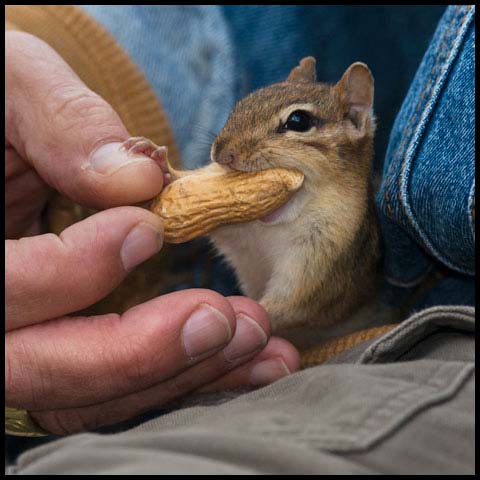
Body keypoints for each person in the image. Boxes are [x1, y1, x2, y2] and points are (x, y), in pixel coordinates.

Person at [5, 5, 474, 474]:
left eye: (294, 124)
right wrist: (160, 174)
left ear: (353, 118)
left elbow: (309, 299)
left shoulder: (339, 214)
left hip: (373, 357)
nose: (230, 154)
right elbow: (217, 225)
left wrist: (241, 321)